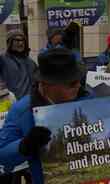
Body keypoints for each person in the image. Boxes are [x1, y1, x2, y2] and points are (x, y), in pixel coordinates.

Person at [0, 48, 90, 184]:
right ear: (47, 85)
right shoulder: (22, 110)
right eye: (71, 83)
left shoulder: (89, 101)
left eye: (79, 80)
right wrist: (24, 146)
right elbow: (2, 155)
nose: (78, 85)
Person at [0, 30, 37, 99]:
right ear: (9, 43)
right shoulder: (3, 60)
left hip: (32, 102)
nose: (21, 43)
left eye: (23, 40)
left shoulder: (31, 62)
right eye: (17, 40)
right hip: (12, 103)